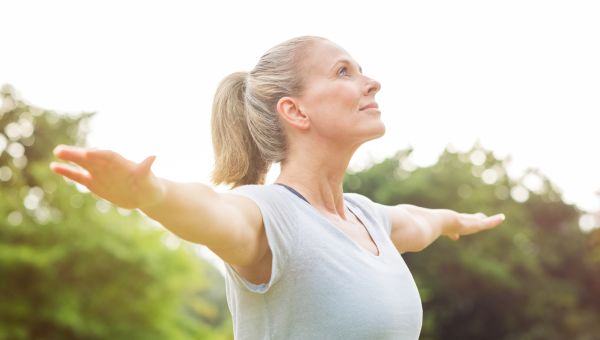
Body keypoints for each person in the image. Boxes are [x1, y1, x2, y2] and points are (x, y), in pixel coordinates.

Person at [50, 36, 505, 340]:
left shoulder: (369, 218)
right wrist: (153, 195)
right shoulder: (269, 216)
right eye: (344, 71)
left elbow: (419, 220)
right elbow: (212, 210)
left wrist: (454, 221)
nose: (371, 82)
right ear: (296, 111)